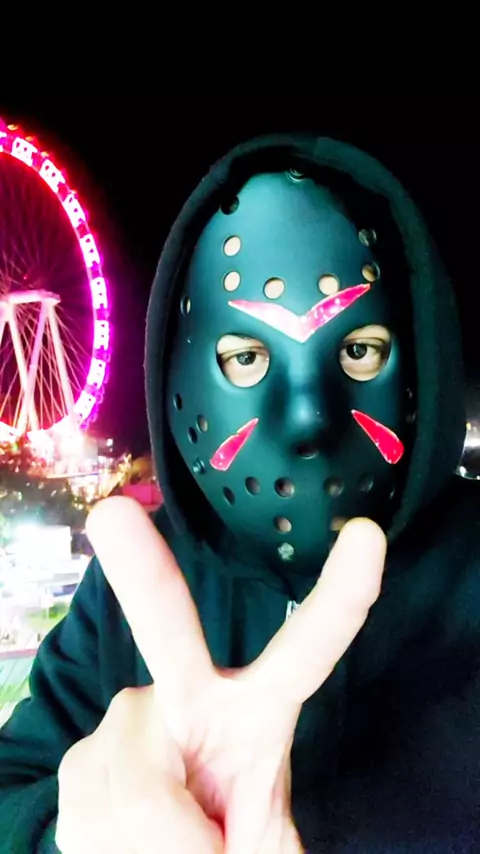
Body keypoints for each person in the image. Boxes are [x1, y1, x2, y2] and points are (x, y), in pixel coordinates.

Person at [0, 133, 478, 853]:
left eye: (359, 351)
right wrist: (68, 834)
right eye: (246, 357)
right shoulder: (130, 595)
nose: (309, 416)